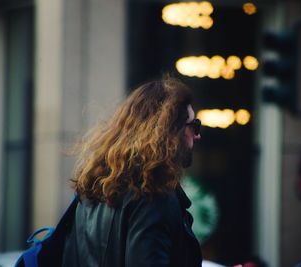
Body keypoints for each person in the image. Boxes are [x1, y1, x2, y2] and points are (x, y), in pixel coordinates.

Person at [62, 76, 203, 267]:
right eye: (194, 126)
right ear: (170, 130)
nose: (198, 135)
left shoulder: (93, 190)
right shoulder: (154, 195)